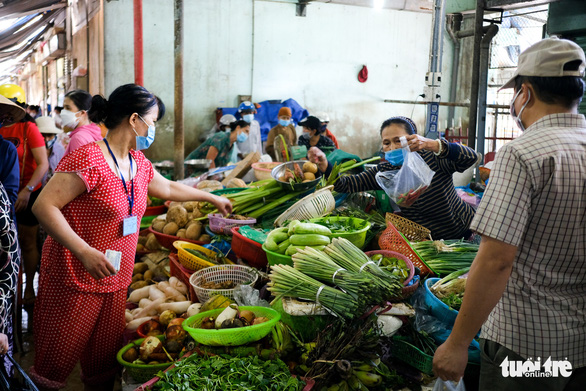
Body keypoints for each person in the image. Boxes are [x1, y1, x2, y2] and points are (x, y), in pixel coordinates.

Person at [29, 84, 231, 391]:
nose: (155, 129)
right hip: (76, 274)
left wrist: (211, 198)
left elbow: (168, 189)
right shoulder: (89, 158)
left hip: (116, 275)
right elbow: (44, 206)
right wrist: (84, 251)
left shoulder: (138, 163)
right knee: (55, 362)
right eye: (153, 122)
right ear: (134, 120)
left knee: (103, 362)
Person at [432, 38, 586, 390]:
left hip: (526, 347)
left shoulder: (522, 153)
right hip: (580, 348)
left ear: (526, 92)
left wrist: (456, 345)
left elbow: (496, 260)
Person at [308, 116, 480, 240]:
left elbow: (471, 158)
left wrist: (432, 144)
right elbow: (345, 184)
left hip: (461, 230)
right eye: (386, 142)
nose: (392, 147)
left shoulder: (433, 159)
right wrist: (324, 165)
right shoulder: (384, 172)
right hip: (430, 240)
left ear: (413, 139)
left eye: (398, 140)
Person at [0, 84, 49, 307]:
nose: (5, 116)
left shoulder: (28, 129)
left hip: (27, 194)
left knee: (27, 243)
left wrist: (26, 191)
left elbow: (43, 165)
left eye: (10, 111)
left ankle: (28, 288)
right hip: (8, 196)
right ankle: (10, 289)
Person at [186, 120, 250, 169]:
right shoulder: (220, 137)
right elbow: (210, 160)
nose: (247, 135)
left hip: (204, 174)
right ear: (238, 128)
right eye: (246, 131)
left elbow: (224, 165)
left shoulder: (231, 145)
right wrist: (214, 176)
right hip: (192, 171)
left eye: (248, 133)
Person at [62, 89, 102, 155]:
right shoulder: (93, 132)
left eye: (68, 108)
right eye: (63, 108)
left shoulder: (78, 138)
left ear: (82, 113)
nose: (63, 112)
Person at [35, 117, 66, 186]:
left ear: (54, 135)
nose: (46, 139)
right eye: (42, 135)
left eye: (50, 135)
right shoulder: (30, 150)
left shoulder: (60, 150)